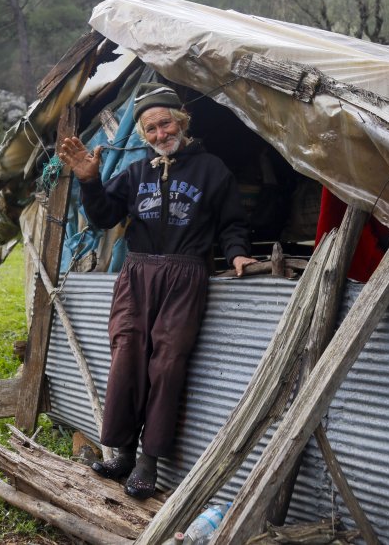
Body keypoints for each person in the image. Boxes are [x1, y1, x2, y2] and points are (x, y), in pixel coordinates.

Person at [58, 82, 257, 499]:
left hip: (185, 276)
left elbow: (233, 223)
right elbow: (103, 218)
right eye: (149, 129)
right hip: (137, 274)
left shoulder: (211, 170)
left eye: (164, 124)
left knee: (167, 365)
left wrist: (237, 254)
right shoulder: (135, 173)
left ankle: (149, 463)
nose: (159, 134)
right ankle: (123, 455)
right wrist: (91, 183)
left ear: (180, 122)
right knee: (126, 356)